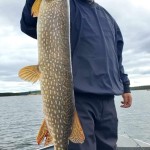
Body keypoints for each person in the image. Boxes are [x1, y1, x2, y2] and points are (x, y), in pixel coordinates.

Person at [20, 0, 132, 149]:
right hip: (75, 99)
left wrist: (125, 86)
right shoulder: (65, 6)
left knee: (109, 147)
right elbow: (29, 24)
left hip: (107, 99)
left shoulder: (109, 18)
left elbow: (117, 56)